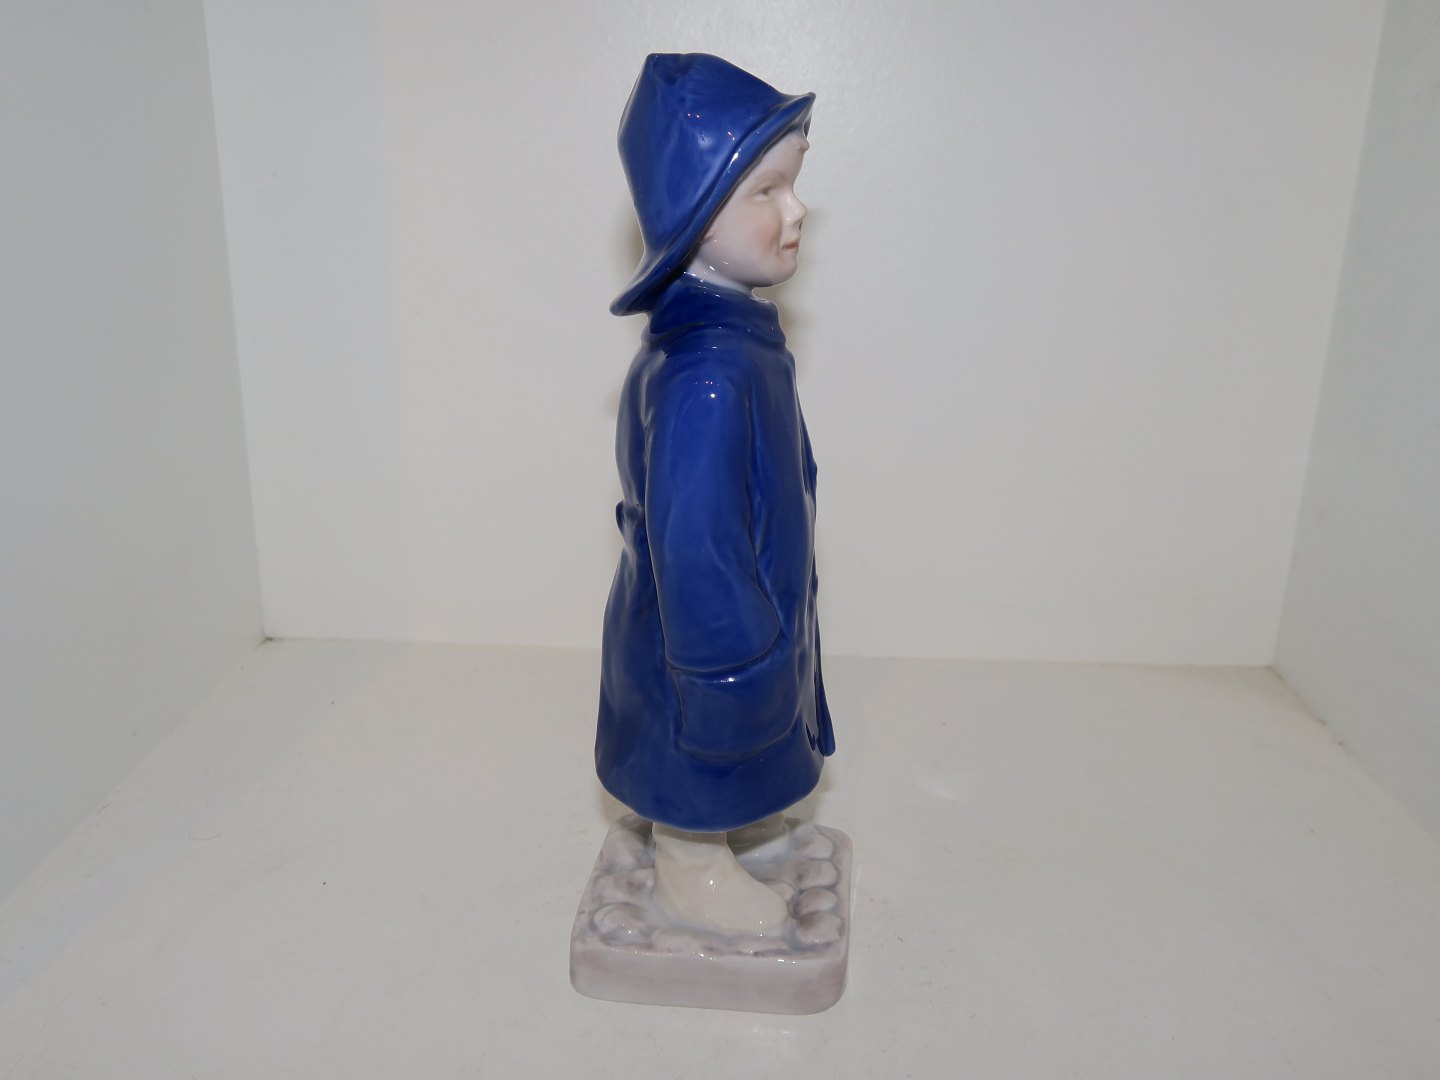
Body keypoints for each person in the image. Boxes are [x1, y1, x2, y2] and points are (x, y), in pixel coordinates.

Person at [596, 54, 835, 935]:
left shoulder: (737, 345)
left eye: (793, 184)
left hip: (748, 623)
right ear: (695, 218)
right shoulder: (706, 378)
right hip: (707, 644)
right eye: (766, 190)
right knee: (698, 753)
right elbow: (697, 552)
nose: (796, 211)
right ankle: (689, 864)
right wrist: (733, 677)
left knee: (725, 756)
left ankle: (722, 821)